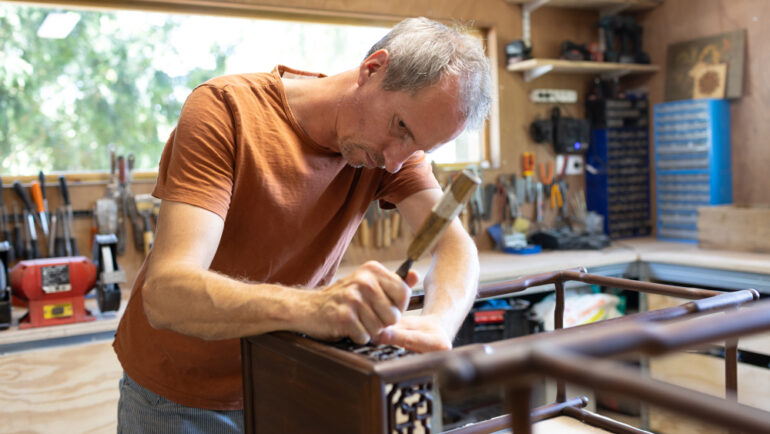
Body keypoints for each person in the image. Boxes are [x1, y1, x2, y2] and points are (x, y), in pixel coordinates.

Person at [113, 16, 492, 433]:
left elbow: (454, 246)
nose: (395, 160)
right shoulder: (226, 110)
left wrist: (438, 324)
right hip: (179, 394)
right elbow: (167, 294)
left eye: (418, 146)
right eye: (400, 127)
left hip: (287, 376)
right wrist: (316, 306)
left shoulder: (391, 151)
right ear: (372, 69)